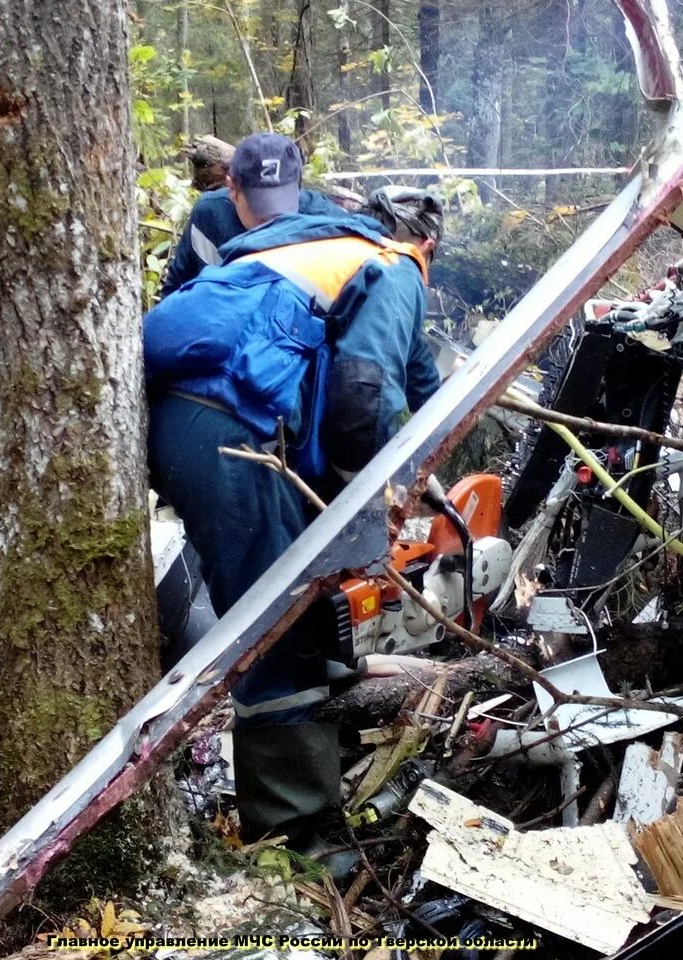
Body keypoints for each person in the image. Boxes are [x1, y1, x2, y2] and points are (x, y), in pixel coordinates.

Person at [146, 133, 443, 852]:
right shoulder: (393, 264)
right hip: (231, 438)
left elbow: (421, 385)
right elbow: (365, 392)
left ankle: (328, 682)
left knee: (296, 609)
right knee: (273, 636)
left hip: (187, 424)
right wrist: (360, 507)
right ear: (427, 246)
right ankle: (301, 845)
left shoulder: (303, 251)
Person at [159, 136, 350, 297]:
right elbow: (175, 293)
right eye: (262, 206)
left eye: (282, 202)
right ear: (232, 189)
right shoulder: (209, 216)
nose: (273, 218)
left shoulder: (328, 223)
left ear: (297, 186)